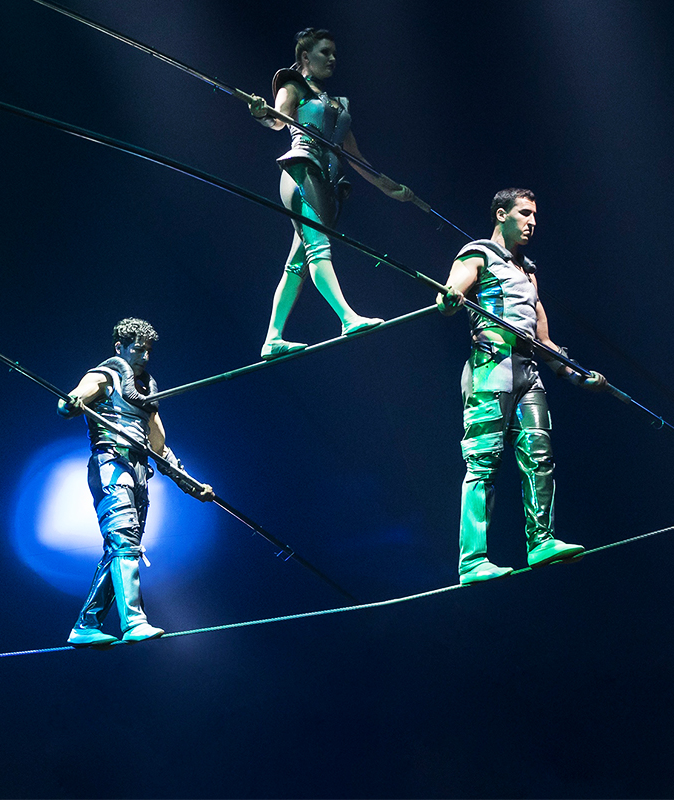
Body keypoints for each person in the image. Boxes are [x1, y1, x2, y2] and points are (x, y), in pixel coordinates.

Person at [436, 189, 607, 585]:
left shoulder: (529, 273)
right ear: (502, 215)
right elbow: (453, 290)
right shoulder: (477, 253)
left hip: (528, 373)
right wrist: (449, 299)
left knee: (539, 458)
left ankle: (541, 542)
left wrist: (578, 375)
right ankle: (472, 560)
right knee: (482, 462)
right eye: (524, 214)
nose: (532, 222)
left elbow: (544, 342)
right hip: (490, 368)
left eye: (535, 215)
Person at [248, 27, 415, 360]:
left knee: (297, 263)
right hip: (301, 170)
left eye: (335, 53)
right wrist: (262, 113)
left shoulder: (337, 105)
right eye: (325, 52)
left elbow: (355, 157)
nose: (333, 59)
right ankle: (347, 317)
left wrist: (391, 189)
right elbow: (278, 119)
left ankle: (272, 337)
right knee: (319, 248)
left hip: (326, 182)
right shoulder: (293, 85)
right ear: (306, 57)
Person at [57, 318, 214, 646]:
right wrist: (71, 402)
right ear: (120, 347)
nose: (144, 357)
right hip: (110, 465)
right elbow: (74, 399)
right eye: (137, 350)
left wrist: (191, 485)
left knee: (121, 550)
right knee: (125, 543)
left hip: (141, 473)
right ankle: (134, 622)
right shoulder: (104, 376)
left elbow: (159, 447)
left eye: (148, 351)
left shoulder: (146, 391)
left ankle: (86, 625)